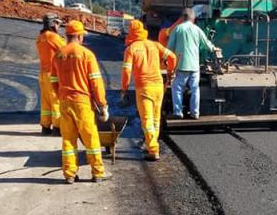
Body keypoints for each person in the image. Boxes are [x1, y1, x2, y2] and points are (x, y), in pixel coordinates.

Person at [50, 20, 109, 184]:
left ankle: (69, 174)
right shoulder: (86, 54)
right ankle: (97, 172)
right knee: (90, 138)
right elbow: (96, 82)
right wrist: (102, 104)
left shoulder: (59, 54)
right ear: (79, 36)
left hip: (64, 101)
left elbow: (53, 81)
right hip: (82, 102)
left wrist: (61, 95)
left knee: (68, 139)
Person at [121, 19, 177, 161]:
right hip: (158, 86)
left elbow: (126, 71)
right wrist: (170, 72)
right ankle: (150, 143)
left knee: (146, 120)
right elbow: (172, 57)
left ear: (131, 32)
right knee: (155, 118)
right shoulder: (154, 45)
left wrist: (124, 89)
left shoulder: (131, 49)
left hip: (144, 87)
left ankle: (153, 149)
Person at [165, 8, 220, 119]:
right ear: (193, 18)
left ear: (182, 18)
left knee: (177, 89)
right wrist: (214, 49)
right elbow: (206, 43)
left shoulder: (177, 29)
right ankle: (195, 113)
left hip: (181, 65)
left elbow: (169, 47)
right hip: (194, 66)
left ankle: (178, 112)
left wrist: (164, 59)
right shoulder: (197, 29)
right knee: (195, 89)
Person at [35, 14, 66, 134]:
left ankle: (46, 126)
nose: (59, 26)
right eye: (57, 23)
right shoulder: (53, 37)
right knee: (56, 100)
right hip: (53, 74)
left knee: (46, 101)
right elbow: (66, 49)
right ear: (52, 24)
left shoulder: (40, 37)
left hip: (43, 74)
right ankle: (58, 127)